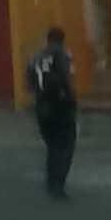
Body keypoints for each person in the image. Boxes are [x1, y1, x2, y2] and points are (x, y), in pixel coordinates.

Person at [27, 19, 79, 199]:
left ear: (47, 39)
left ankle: (51, 181)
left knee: (52, 146)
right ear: (62, 40)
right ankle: (58, 184)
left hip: (41, 106)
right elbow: (66, 78)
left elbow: (29, 82)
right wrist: (72, 100)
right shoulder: (61, 54)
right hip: (60, 105)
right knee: (66, 145)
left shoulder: (36, 57)